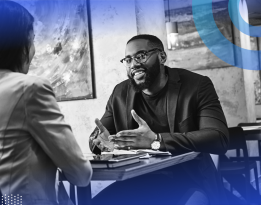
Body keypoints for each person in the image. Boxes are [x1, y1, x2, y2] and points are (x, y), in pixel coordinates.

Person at [0, 1, 92, 205]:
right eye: (31, 41)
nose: (32, 51)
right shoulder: (31, 89)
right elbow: (80, 174)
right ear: (18, 44)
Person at [89, 34, 230, 205]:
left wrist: (156, 140)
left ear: (162, 57)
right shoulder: (120, 93)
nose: (134, 64)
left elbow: (218, 137)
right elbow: (102, 137)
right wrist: (100, 144)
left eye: (141, 56)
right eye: (128, 59)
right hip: (137, 181)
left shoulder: (197, 85)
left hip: (188, 179)